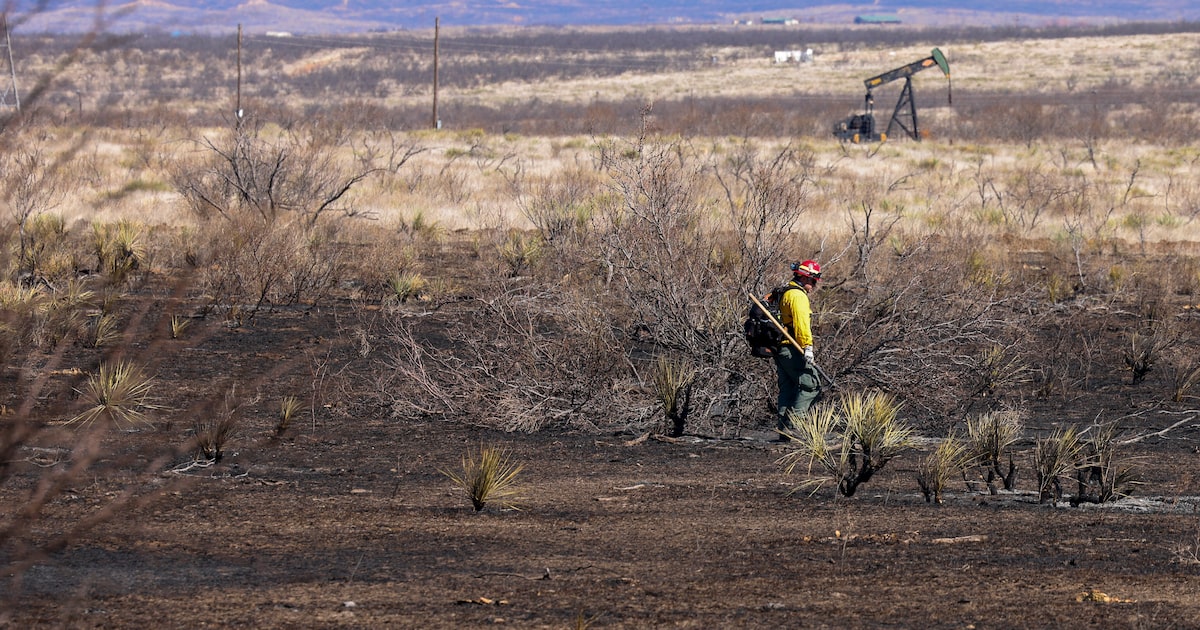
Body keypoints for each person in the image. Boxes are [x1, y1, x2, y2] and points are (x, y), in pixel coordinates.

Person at [774, 259, 822, 439]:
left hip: (781, 348)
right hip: (792, 348)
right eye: (813, 280)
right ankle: (794, 428)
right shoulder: (798, 296)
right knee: (811, 385)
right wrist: (807, 347)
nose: (814, 285)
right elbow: (802, 324)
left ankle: (783, 431)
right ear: (804, 278)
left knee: (789, 387)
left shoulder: (785, 291)